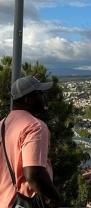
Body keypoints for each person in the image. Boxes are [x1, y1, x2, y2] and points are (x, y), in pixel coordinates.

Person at [0, 75, 60, 208]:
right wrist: (55, 199)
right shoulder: (35, 126)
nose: (44, 98)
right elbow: (33, 175)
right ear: (28, 99)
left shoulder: (2, 124)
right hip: (23, 202)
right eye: (40, 94)